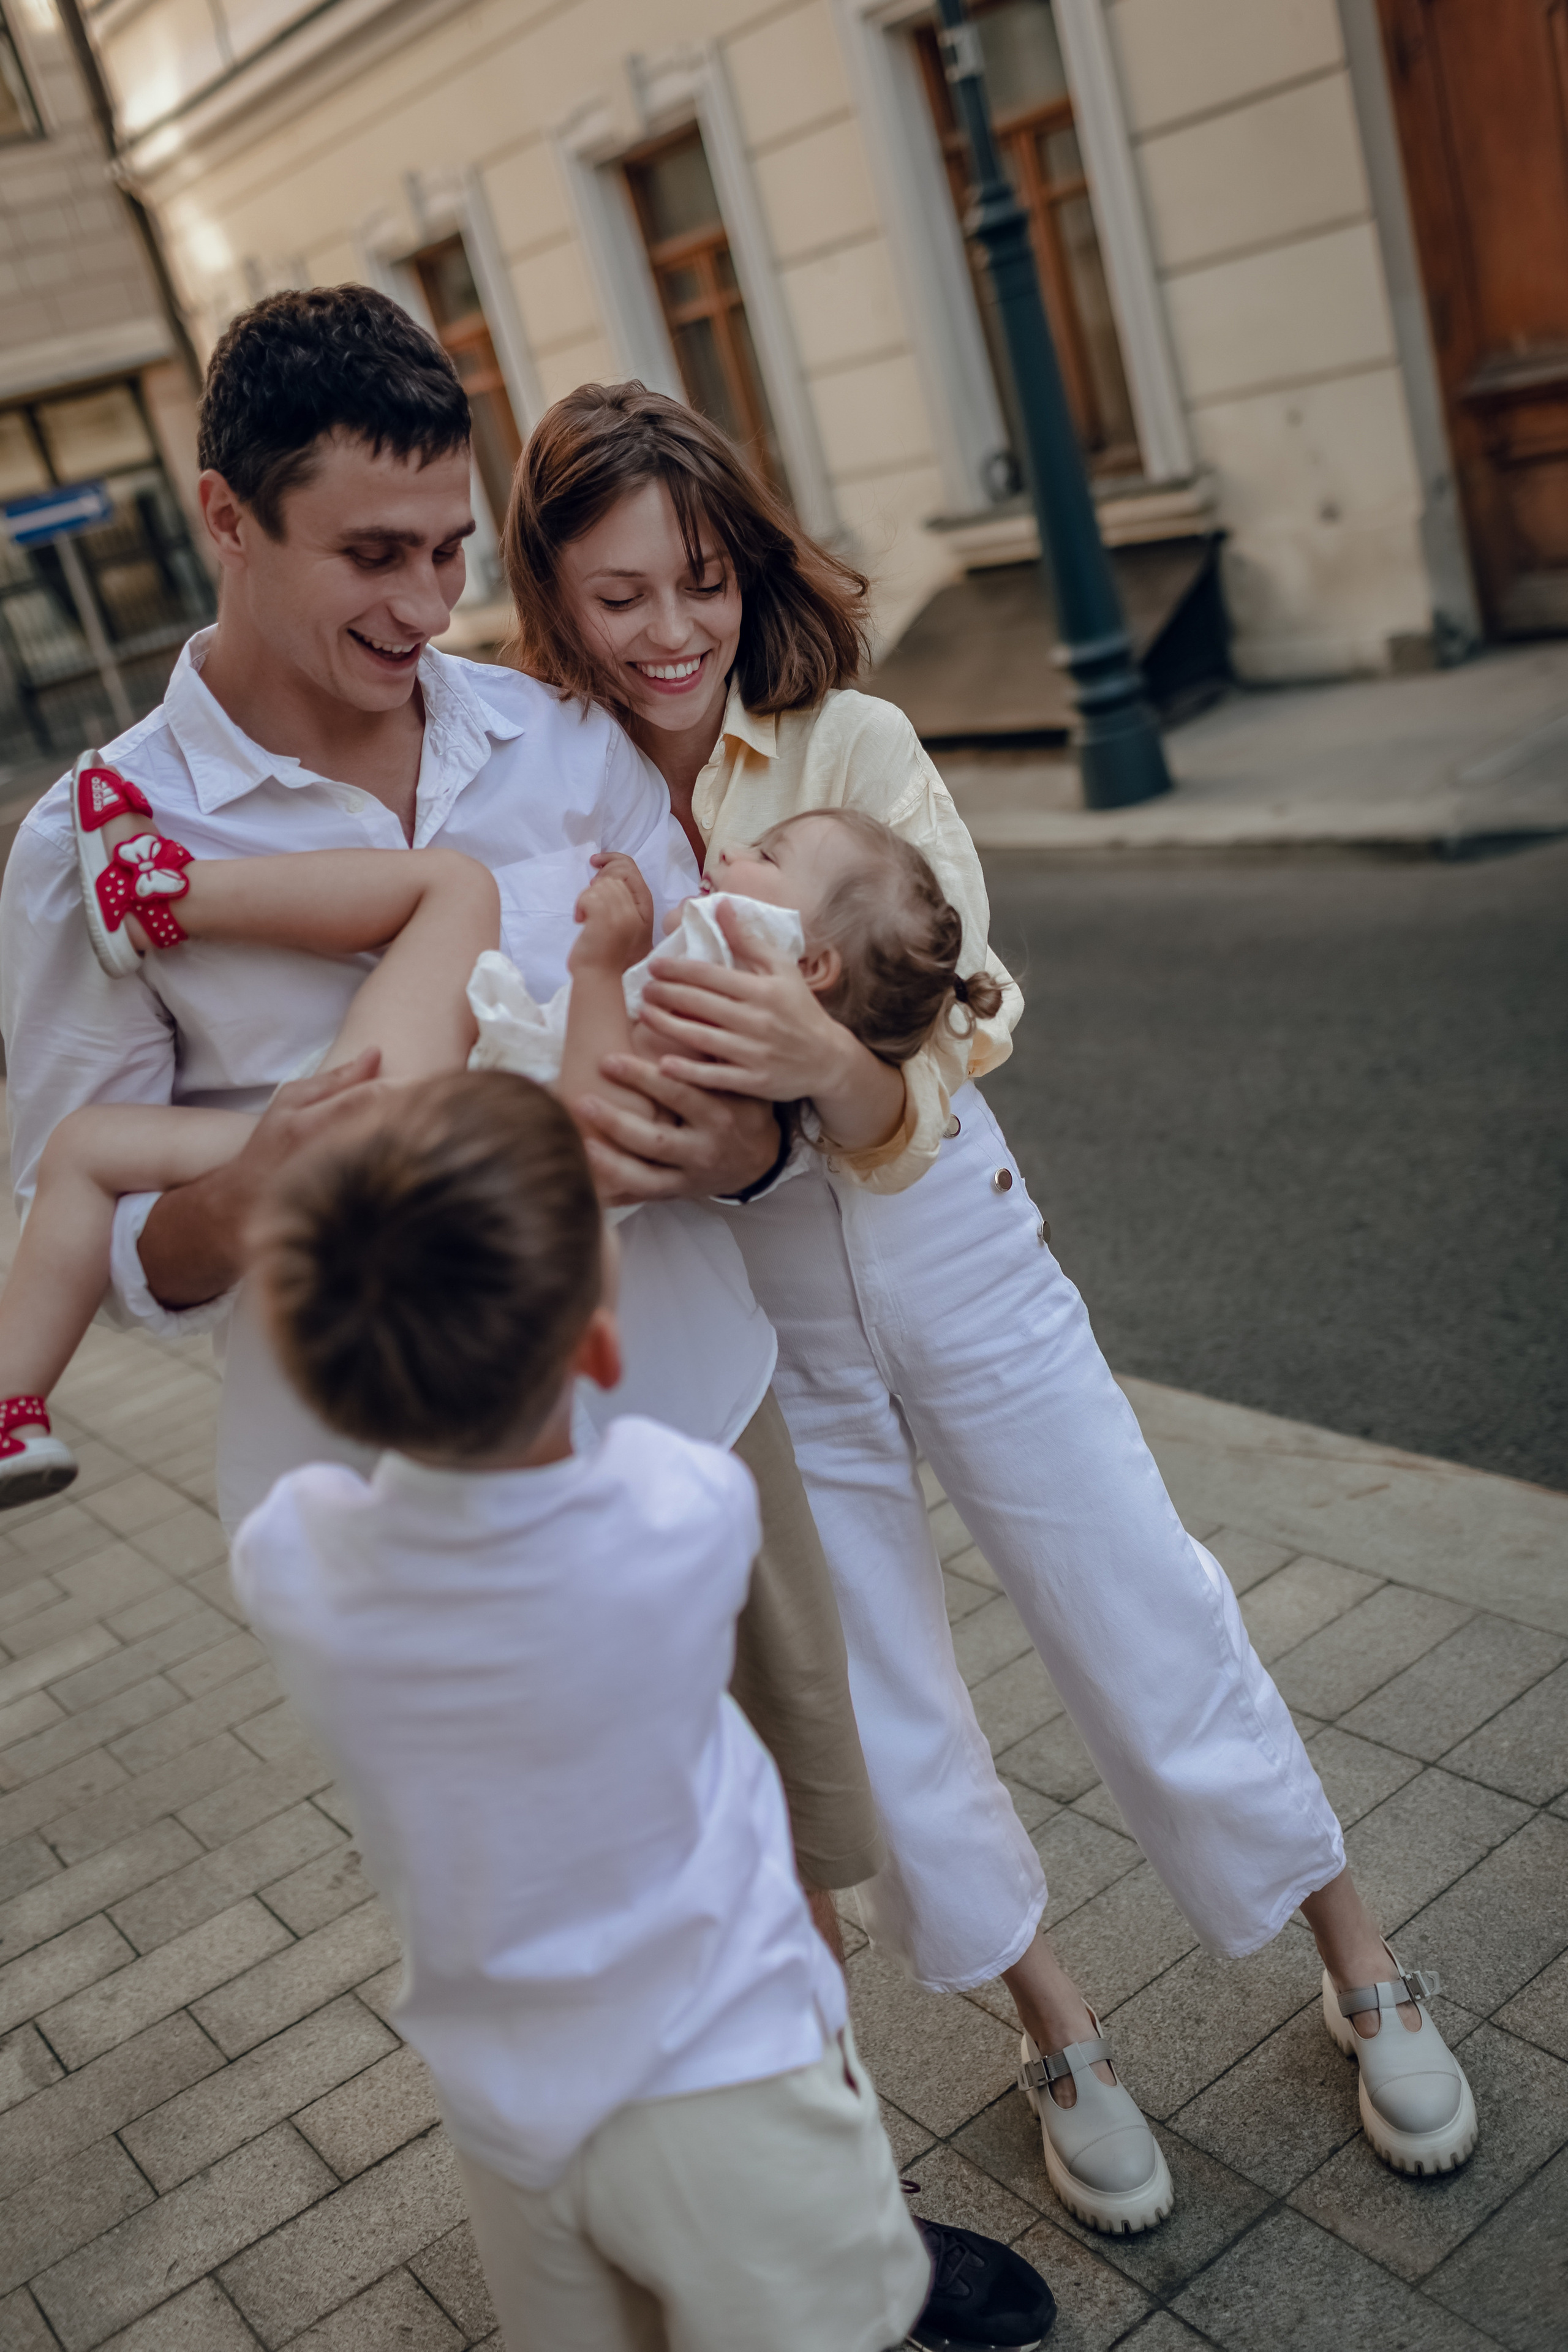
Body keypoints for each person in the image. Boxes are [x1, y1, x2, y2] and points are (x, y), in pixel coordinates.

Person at [501, 380, 1480, 2226]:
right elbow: (588, 1081)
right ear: (554, 599)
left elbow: (969, 1013)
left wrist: (825, 1067)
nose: (670, 632)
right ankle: (1059, 2034)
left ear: (744, 560)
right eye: (618, 596)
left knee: (1140, 1599)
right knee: (885, 1698)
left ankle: (1360, 1963)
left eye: (699, 579)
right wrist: (714, 1123)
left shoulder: (849, 742)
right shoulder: (562, 793)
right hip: (764, 1317)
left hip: (957, 1238)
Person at [0, 285, 886, 1945]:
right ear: (228, 520)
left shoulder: (557, 737)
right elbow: (106, 1226)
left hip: (683, 1389)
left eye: (447, 549)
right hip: (412, 1494)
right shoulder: (91, 846)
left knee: (795, 1858)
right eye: (370, 555)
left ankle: (847, 2188)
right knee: (568, 1925)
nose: (423, 603)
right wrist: (255, 1187)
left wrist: (756, 1138)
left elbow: (726, 1035)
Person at [231, 1067, 936, 2352]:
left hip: (510, 2116)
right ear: (601, 1347)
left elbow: (317, 1485)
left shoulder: (296, 1565)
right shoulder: (684, 1510)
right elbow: (638, 1463)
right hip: (729, 2076)